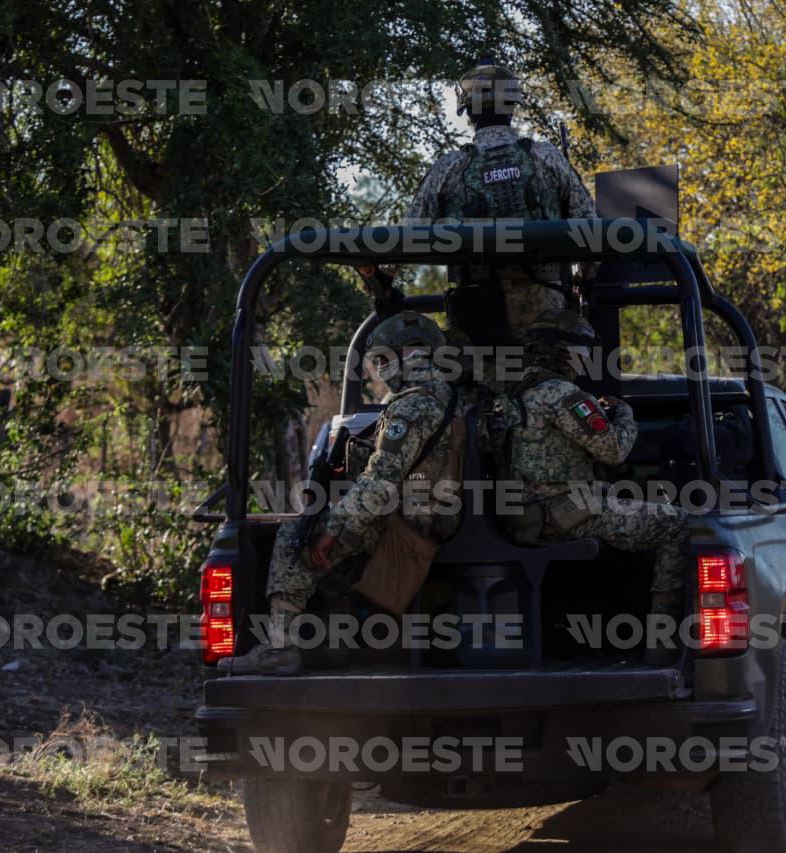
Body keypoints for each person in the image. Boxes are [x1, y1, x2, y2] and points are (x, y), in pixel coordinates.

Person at [218, 312, 463, 675]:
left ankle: (280, 649)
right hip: (428, 519)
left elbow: (379, 483)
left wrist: (332, 529)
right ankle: (336, 645)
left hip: (408, 527)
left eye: (383, 360)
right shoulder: (449, 396)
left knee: (296, 540)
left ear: (412, 352)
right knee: (332, 565)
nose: (380, 371)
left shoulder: (414, 406)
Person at [494, 309, 689, 659]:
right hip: (559, 516)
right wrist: (625, 414)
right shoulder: (563, 394)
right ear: (562, 351)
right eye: (579, 351)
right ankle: (662, 647)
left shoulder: (512, 391)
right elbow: (613, 449)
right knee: (673, 524)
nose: (583, 360)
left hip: (522, 516)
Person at [403, 56, 597, 343]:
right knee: (551, 384)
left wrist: (382, 286)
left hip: (475, 321)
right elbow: (590, 229)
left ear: (467, 110)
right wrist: (585, 279)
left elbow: (407, 234)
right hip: (547, 321)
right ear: (512, 107)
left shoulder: (448, 168)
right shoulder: (546, 158)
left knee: (477, 384)